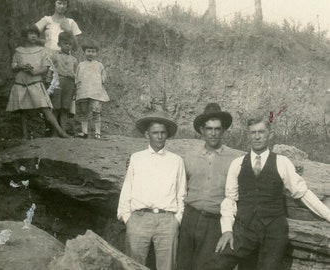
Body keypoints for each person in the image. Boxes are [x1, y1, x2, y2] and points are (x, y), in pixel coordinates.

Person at [207, 115, 330, 270]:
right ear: (248, 135)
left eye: (261, 132)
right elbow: (230, 199)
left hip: (273, 231)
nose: (257, 137)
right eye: (253, 133)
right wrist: (227, 231)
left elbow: (302, 193)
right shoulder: (237, 164)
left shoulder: (282, 162)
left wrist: (328, 215)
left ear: (269, 134)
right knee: (218, 262)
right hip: (244, 230)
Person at [177, 103, 251, 270]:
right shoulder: (190, 157)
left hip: (214, 222)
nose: (213, 133)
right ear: (202, 130)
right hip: (189, 218)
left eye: (217, 129)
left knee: (207, 266)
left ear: (223, 130)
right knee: (183, 265)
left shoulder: (235, 159)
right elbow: (180, 189)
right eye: (209, 128)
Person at [117, 111, 186, 270]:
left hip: (167, 220)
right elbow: (127, 188)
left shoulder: (176, 161)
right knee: (134, 266)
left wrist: (177, 220)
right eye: (155, 132)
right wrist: (127, 217)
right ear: (147, 134)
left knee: (167, 267)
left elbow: (181, 194)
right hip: (139, 219)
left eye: (163, 132)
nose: (160, 136)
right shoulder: (136, 158)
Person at [6, 25, 69, 139]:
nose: (33, 35)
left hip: (35, 82)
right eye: (30, 33)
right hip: (21, 83)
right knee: (23, 110)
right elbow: (13, 67)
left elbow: (45, 68)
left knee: (45, 108)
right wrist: (20, 66)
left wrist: (34, 72)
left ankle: (60, 132)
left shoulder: (42, 51)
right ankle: (25, 136)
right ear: (25, 36)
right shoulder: (18, 51)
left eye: (35, 33)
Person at [75, 39, 110, 139]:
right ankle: (84, 132)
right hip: (83, 92)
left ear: (97, 53)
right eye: (88, 51)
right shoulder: (81, 65)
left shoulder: (99, 65)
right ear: (84, 52)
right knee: (84, 112)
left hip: (95, 92)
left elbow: (104, 77)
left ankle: (97, 132)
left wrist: (101, 81)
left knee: (96, 111)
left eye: (93, 51)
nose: (91, 53)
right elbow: (77, 78)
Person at [46, 32, 78, 135]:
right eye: (65, 43)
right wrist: (48, 79)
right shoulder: (55, 56)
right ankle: (54, 133)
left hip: (69, 84)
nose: (68, 46)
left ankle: (63, 131)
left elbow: (76, 74)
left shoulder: (74, 60)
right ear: (59, 44)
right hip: (58, 82)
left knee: (65, 109)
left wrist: (75, 87)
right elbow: (50, 69)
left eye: (70, 44)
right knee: (56, 108)